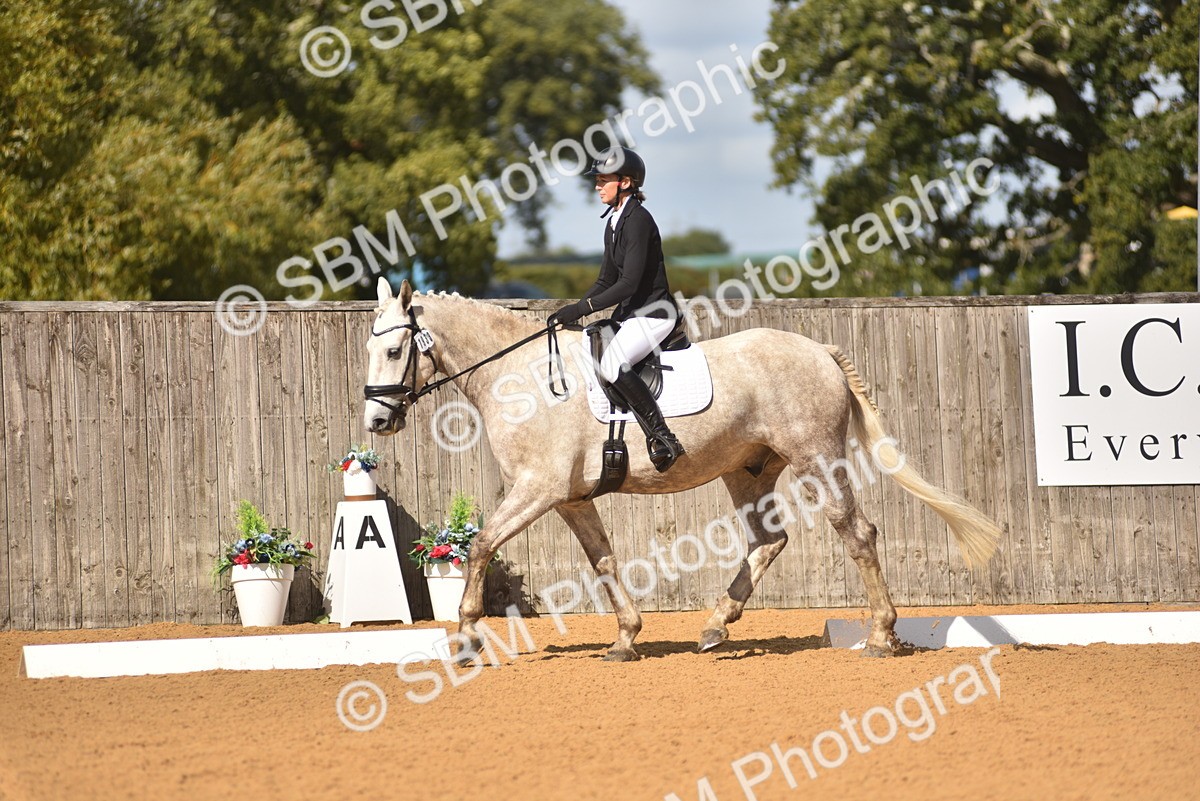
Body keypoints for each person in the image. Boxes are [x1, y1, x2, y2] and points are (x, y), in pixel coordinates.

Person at [548, 147, 685, 472]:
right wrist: (575, 310)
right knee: (590, 344)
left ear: (625, 182)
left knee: (611, 364)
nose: (597, 186)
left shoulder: (638, 220)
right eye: (597, 180)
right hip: (632, 315)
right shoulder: (613, 221)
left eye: (603, 180)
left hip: (655, 314)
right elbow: (606, 279)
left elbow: (628, 284)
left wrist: (584, 307)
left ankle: (663, 436)